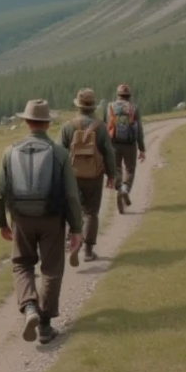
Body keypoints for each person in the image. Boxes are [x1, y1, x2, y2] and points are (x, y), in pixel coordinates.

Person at [0, 99, 84, 345]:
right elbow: (71, 195)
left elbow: (0, 191)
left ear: (26, 122)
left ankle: (29, 307)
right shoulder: (59, 153)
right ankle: (44, 325)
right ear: (47, 123)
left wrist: (1, 221)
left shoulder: (9, 151)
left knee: (22, 263)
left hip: (21, 219)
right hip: (52, 219)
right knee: (52, 269)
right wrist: (76, 228)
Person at [59, 88, 118, 262]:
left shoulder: (68, 126)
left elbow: (59, 153)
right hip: (94, 176)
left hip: (72, 176)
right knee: (91, 212)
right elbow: (109, 153)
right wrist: (112, 175)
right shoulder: (100, 127)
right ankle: (88, 251)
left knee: (71, 209)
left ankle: (72, 242)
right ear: (93, 106)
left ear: (78, 105)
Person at [106, 83, 146, 213]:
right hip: (130, 145)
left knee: (117, 169)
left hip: (114, 144)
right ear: (129, 96)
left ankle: (119, 190)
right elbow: (139, 129)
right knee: (130, 170)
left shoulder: (110, 106)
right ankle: (125, 188)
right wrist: (142, 148)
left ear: (118, 95)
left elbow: (105, 126)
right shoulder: (134, 108)